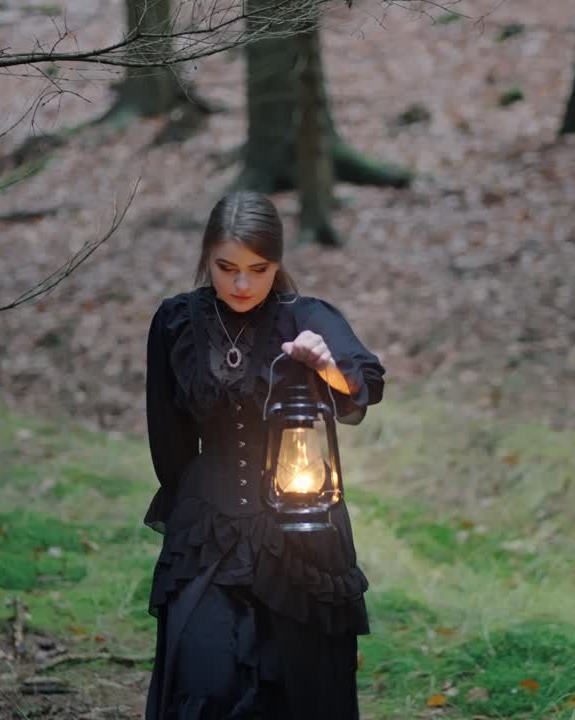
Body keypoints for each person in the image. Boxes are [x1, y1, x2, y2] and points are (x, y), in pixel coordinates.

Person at [143, 191, 386, 719]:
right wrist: (190, 509)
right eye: (226, 268)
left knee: (295, 682)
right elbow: (168, 440)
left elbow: (363, 385)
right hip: (208, 528)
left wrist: (324, 366)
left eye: (258, 269)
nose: (242, 285)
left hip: (301, 533)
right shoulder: (176, 321)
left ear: (277, 263)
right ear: (207, 257)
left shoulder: (308, 317)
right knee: (204, 674)